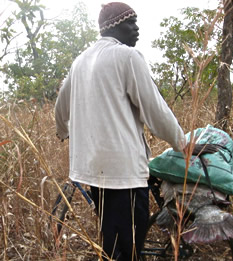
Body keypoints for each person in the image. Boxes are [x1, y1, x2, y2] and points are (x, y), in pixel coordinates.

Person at [55, 2, 185, 260]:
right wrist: (182, 144)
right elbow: (156, 112)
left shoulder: (80, 61)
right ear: (115, 25)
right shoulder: (128, 56)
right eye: (131, 22)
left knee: (113, 239)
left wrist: (64, 132)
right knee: (128, 247)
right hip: (123, 172)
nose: (137, 28)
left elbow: (61, 107)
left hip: (94, 170)